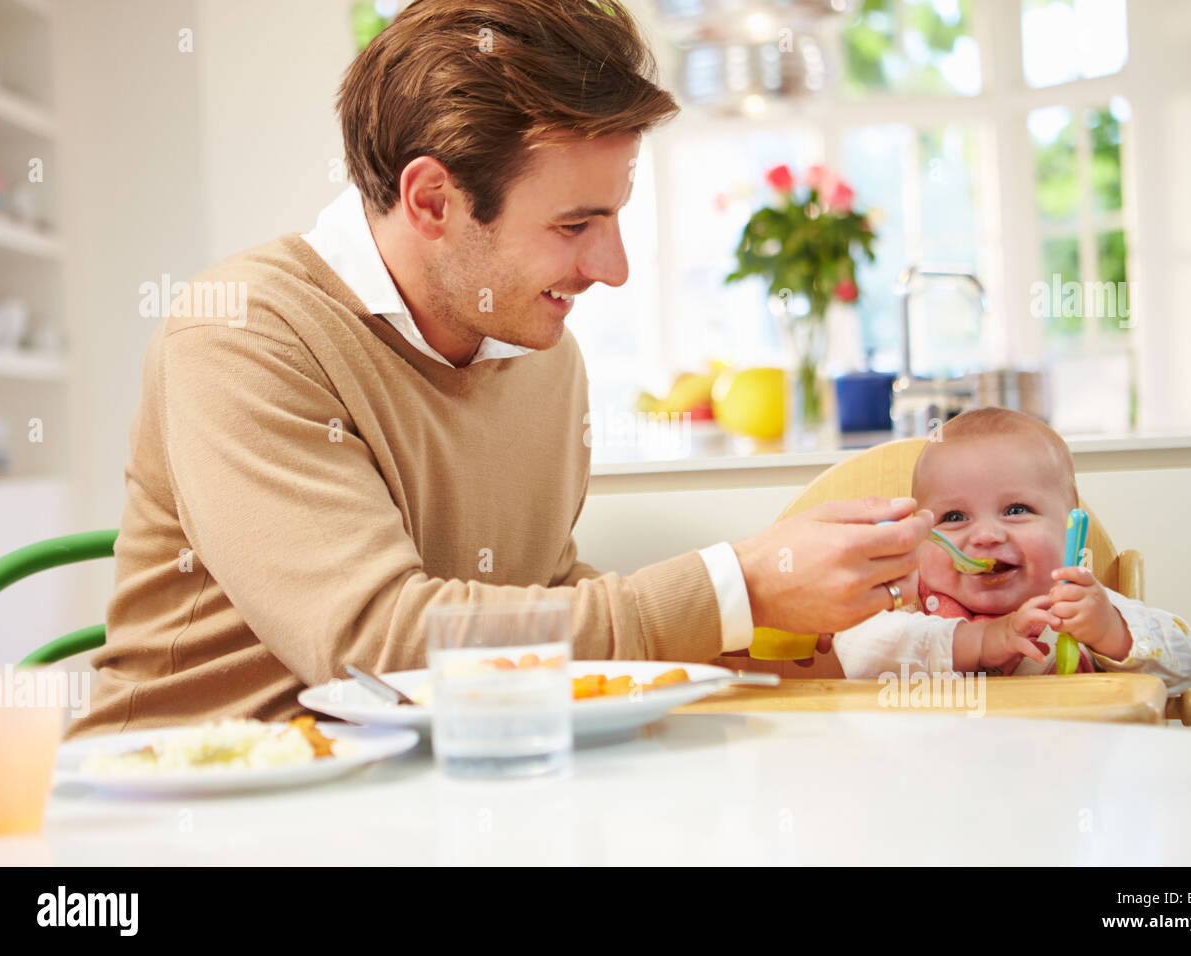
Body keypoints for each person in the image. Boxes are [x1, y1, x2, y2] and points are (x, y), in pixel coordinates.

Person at [67, 0, 929, 739]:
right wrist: (737, 588)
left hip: (427, 795)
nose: (614, 266)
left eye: (616, 217)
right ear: (433, 200)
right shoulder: (245, 335)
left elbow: (534, 605)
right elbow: (383, 643)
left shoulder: (542, 355)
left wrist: (778, 635)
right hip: (189, 813)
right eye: (574, 224)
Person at [834, 407, 1191, 694]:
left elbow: (1187, 663)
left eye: (1016, 510)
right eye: (954, 516)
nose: (986, 536)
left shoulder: (1077, 606)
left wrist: (1111, 632)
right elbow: (856, 650)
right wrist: (978, 642)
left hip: (1060, 776)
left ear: (1070, 526)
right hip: (937, 778)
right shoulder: (906, 601)